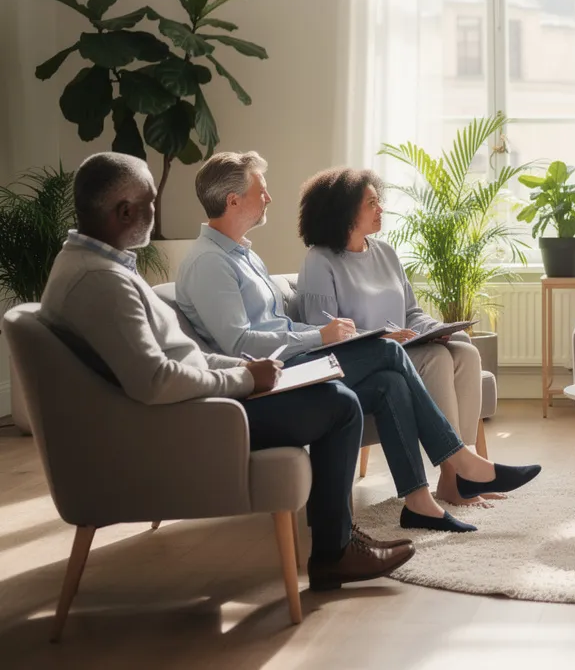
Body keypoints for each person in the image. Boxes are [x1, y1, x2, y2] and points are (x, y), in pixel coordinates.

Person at [39, 152, 414, 590]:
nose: (155, 213)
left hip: (204, 403)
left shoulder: (97, 267)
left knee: (346, 392)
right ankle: (334, 552)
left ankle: (340, 542)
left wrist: (242, 367)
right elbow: (157, 380)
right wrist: (242, 378)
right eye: (150, 203)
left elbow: (179, 358)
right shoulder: (100, 282)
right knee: (339, 405)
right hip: (198, 419)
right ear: (125, 211)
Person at [175, 151, 540, 533]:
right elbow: (239, 345)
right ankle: (463, 463)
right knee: (388, 351)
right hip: (268, 381)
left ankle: (419, 502)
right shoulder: (209, 264)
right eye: (261, 190)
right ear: (233, 200)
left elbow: (280, 326)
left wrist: (322, 335)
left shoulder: (243, 256)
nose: (269, 198)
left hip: (290, 365)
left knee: (390, 382)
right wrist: (319, 335)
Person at [295, 168, 497, 507]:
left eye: (379, 201)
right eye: (371, 203)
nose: (380, 209)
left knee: (465, 351)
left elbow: (411, 312)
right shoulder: (320, 261)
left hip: (404, 348)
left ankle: (464, 470)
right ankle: (452, 476)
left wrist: (434, 330)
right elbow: (325, 332)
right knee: (435, 358)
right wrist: (385, 336)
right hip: (362, 361)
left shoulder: (385, 253)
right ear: (345, 211)